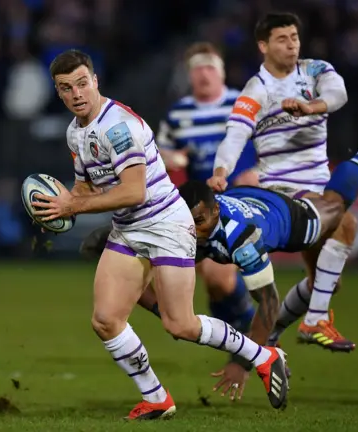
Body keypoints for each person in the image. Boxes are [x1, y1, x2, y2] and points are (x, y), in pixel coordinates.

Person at [30, 49, 289, 419]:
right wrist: (56, 208)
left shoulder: (117, 126)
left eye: (82, 83)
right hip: (128, 229)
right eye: (66, 88)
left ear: (95, 81)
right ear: (58, 92)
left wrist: (72, 207)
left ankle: (262, 356)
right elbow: (85, 190)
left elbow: (134, 191)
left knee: (180, 324)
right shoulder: (76, 132)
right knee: (105, 320)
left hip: (166, 224)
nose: (76, 94)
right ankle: (156, 397)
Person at [177, 127, 358, 398]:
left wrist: (244, 362)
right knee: (328, 277)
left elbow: (269, 301)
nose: (195, 230)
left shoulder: (242, 239)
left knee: (335, 208)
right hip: (251, 196)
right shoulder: (187, 221)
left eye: (200, 223)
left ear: (214, 211)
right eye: (190, 223)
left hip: (289, 219)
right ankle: (289, 330)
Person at [207, 12, 358, 353]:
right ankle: (315, 320)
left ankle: (267, 339)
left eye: (294, 37)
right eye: (282, 39)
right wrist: (221, 171)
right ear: (263, 45)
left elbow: (339, 93)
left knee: (325, 282)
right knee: (346, 224)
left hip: (319, 187)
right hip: (284, 192)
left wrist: (310, 107)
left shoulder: (315, 70)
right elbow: (235, 136)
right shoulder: (256, 90)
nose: (292, 45)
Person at [157, 42, 258, 335]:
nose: (204, 74)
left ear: (221, 72)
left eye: (210, 67)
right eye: (197, 68)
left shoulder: (244, 104)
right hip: (200, 209)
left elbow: (276, 145)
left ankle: (254, 332)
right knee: (214, 286)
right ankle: (240, 337)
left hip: (242, 202)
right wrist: (170, 158)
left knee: (219, 277)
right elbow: (157, 154)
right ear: (189, 75)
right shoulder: (178, 114)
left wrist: (258, 172)